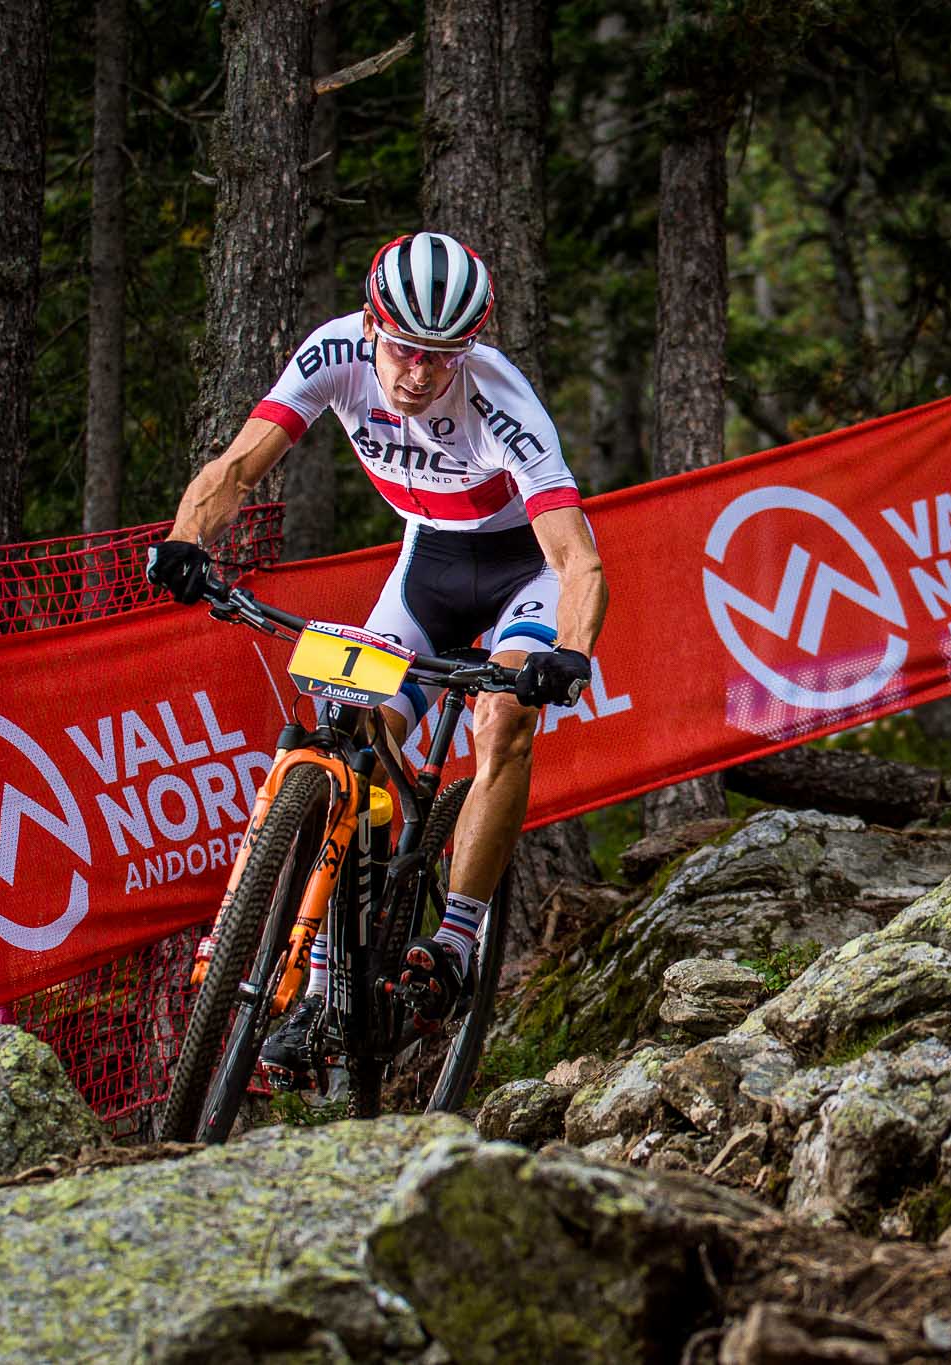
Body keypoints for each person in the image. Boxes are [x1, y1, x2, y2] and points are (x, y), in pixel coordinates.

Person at [147, 230, 608, 1082]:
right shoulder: (332, 354)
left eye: (442, 356)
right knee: (353, 735)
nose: (419, 374)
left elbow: (578, 560)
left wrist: (571, 654)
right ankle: (329, 982)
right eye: (403, 349)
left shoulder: (502, 399)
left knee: (502, 720)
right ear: (370, 325)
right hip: (427, 565)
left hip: (524, 574)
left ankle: (457, 936)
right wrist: (185, 540)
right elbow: (238, 468)